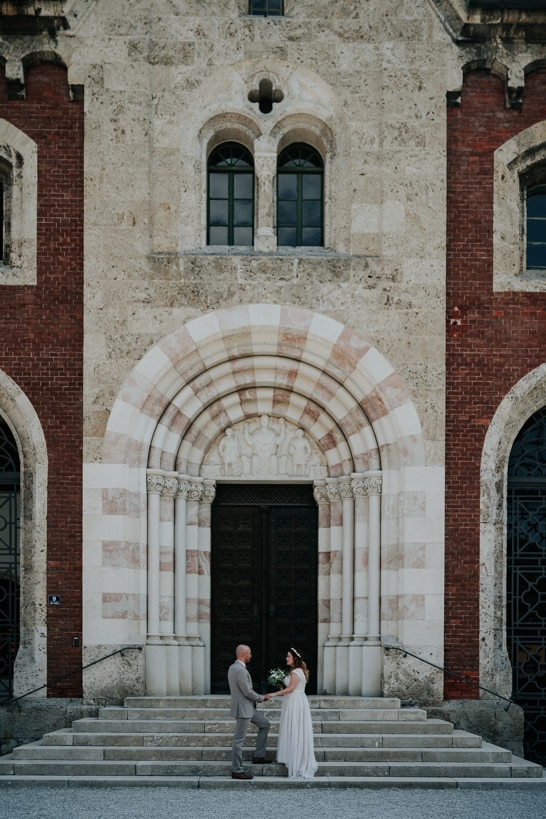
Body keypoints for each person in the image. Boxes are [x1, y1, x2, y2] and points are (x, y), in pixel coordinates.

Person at [267, 647, 318, 779]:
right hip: (294, 700)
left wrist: (274, 693)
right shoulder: (296, 671)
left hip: (295, 701)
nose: (286, 658)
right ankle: (292, 756)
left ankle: (296, 760)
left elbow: (291, 688)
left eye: (288, 656)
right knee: (293, 728)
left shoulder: (296, 672)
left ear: (294, 658)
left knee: (295, 728)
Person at [227, 644, 272, 780]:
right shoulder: (240, 670)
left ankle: (259, 756)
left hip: (249, 708)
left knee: (265, 724)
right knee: (239, 740)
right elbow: (247, 691)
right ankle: (237, 770)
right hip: (243, 709)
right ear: (244, 655)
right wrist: (261, 698)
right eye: (250, 654)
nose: (251, 656)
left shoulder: (232, 667)